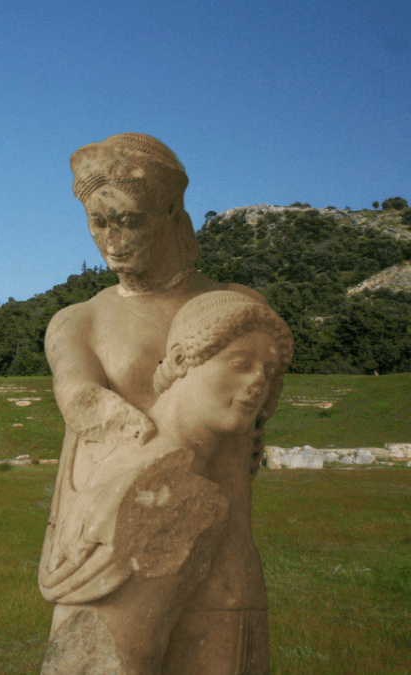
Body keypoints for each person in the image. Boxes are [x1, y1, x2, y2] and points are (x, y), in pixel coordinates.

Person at [38, 133, 281, 674]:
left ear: (172, 214)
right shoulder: (78, 321)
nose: (113, 240)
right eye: (99, 223)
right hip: (113, 557)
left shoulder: (242, 311)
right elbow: (78, 397)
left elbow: (259, 418)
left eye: (130, 220)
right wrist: (148, 446)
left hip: (223, 562)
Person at [39, 291, 292, 674]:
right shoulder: (168, 490)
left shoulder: (141, 466)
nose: (258, 383)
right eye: (241, 364)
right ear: (179, 360)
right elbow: (113, 658)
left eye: (268, 373)